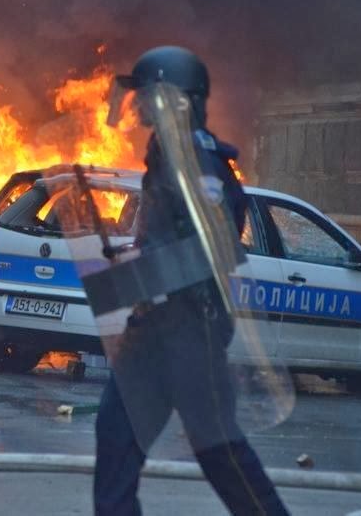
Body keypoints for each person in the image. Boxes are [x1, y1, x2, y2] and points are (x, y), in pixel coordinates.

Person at [93, 47, 289, 515]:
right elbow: (170, 236)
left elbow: (215, 243)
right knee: (116, 434)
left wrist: (145, 271)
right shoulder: (167, 154)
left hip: (190, 332)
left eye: (147, 95)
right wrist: (137, 262)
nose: (138, 105)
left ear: (176, 100)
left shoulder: (200, 162)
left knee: (220, 450)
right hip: (150, 332)